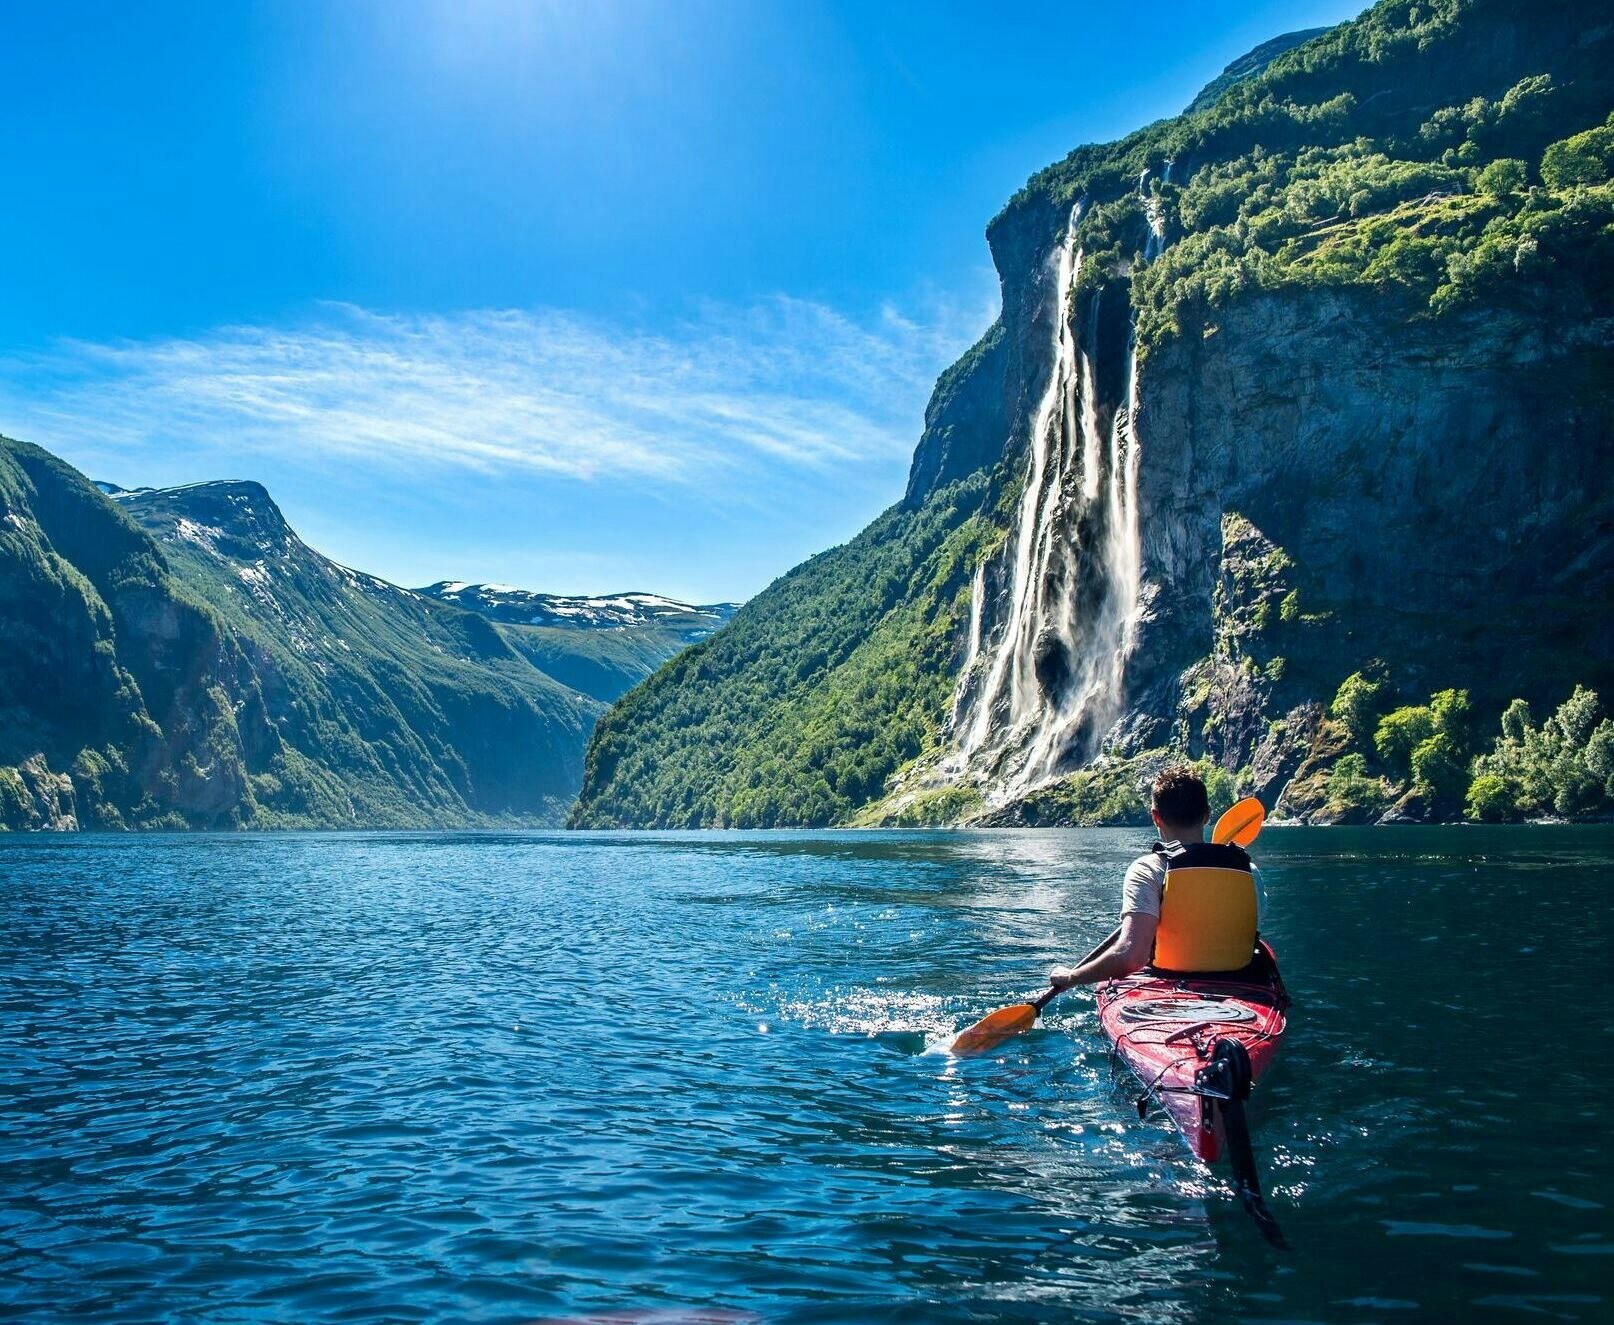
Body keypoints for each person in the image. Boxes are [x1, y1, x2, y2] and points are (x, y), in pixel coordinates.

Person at [1046, 765, 1265, 987]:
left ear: (1155, 817)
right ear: (1207, 815)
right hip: (1242, 984)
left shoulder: (1148, 870)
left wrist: (1072, 977)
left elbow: (1131, 957)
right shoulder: (1247, 869)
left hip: (1169, 984)